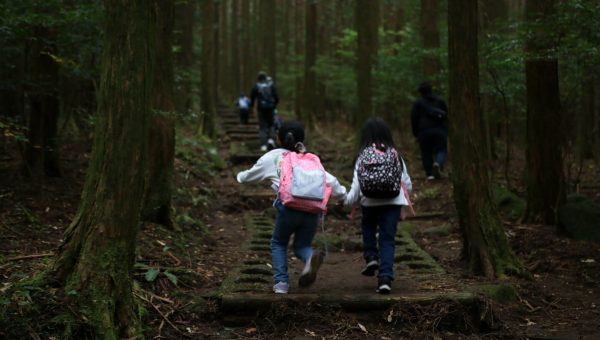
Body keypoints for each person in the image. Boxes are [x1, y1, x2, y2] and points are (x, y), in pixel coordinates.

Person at [236, 120, 347, 294]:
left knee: (278, 242)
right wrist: (343, 196)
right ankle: (310, 257)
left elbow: (248, 177)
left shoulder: (273, 157)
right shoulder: (309, 159)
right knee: (301, 245)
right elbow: (330, 181)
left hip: (288, 208)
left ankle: (281, 284)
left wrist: (239, 177)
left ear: (279, 138)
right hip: (312, 210)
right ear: (301, 140)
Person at [344, 117, 412, 294]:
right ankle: (385, 279)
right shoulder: (395, 154)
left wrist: (345, 200)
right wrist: (402, 200)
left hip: (369, 202)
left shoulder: (363, 156)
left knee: (368, 227)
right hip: (393, 202)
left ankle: (371, 257)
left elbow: (356, 187)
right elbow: (407, 184)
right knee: (387, 240)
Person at [410, 82, 448, 180]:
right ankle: (438, 163)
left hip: (424, 131)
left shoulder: (418, 103)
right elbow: (446, 115)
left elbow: (414, 118)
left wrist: (415, 133)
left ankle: (430, 174)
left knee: (426, 152)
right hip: (440, 130)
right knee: (442, 149)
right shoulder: (440, 101)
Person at [250, 72, 279, 152]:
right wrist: (274, 105)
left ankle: (263, 145)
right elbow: (276, 97)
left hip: (261, 109)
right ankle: (271, 140)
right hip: (271, 108)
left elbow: (252, 97)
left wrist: (252, 107)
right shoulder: (271, 85)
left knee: (262, 127)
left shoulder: (257, 86)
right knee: (271, 125)